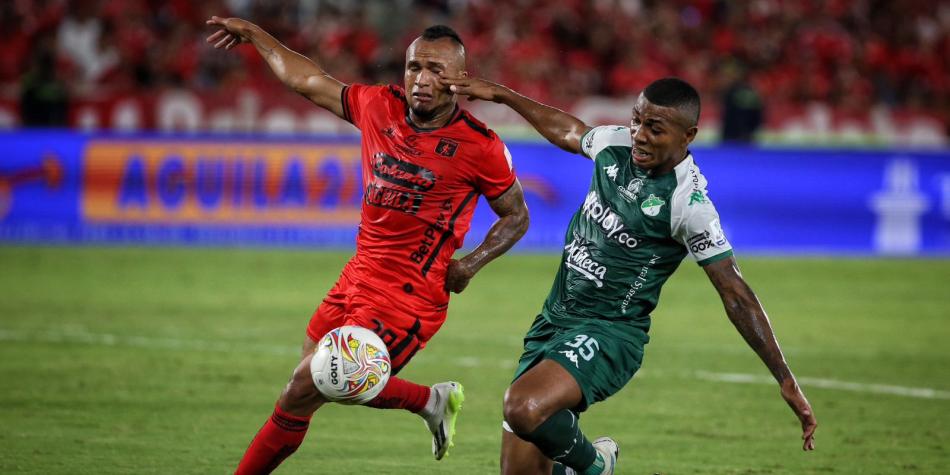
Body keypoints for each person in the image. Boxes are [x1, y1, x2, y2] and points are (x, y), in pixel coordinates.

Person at [440, 75, 817, 475]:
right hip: (553, 320)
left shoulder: (688, 204)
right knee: (521, 468)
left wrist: (785, 379)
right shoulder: (614, 144)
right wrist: (503, 94)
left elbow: (735, 293)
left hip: (610, 333)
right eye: (636, 120)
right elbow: (568, 130)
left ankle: (596, 465)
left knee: (522, 406)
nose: (639, 135)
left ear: (688, 135)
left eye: (655, 128)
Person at [205, 17, 530, 474]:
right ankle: (429, 400)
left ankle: (428, 401)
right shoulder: (379, 105)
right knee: (308, 386)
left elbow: (517, 216)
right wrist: (255, 34)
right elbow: (307, 80)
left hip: (408, 296)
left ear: (460, 79)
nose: (421, 80)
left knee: (305, 386)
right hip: (357, 273)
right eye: (414, 67)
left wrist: (470, 264)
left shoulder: (480, 146)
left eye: (436, 70)